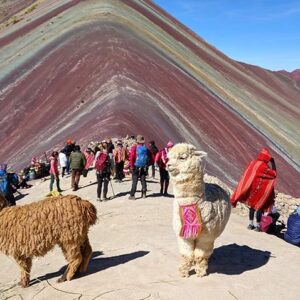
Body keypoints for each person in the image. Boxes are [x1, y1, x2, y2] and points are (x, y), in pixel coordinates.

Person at [231, 147, 277, 232]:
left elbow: (247, 174)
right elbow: (274, 174)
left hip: (251, 188)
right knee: (259, 206)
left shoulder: (253, 163)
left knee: (252, 206)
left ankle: (250, 224)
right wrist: (273, 163)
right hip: (261, 190)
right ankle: (257, 226)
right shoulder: (265, 167)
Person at [128, 135, 153, 200]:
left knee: (135, 181)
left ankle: (132, 195)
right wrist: (147, 165)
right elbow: (152, 158)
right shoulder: (146, 149)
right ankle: (144, 193)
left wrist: (131, 166)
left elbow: (131, 157)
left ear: (137, 141)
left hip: (136, 167)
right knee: (143, 180)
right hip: (143, 167)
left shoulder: (134, 148)